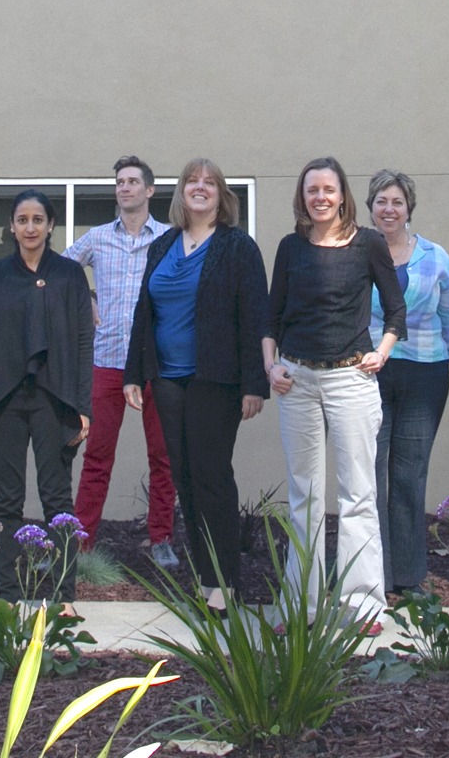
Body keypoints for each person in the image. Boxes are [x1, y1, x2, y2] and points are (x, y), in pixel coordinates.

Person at [263, 156, 405, 635]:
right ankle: (299, 607)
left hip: (351, 381)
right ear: (302, 197)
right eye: (311, 190)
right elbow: (272, 316)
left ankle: (362, 606)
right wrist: (271, 365)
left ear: (343, 194)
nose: (320, 197)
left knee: (358, 493)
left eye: (328, 189)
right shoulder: (290, 247)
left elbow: (396, 310)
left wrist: (380, 353)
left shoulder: (369, 244)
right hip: (297, 382)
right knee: (304, 495)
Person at [124, 158, 268, 615]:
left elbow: (255, 317)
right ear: (181, 192)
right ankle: (206, 579)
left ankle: (226, 583)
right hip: (167, 379)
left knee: (212, 476)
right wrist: (133, 373)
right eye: (192, 181)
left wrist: (254, 384)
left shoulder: (237, 247)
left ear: (221, 195)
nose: (200, 188)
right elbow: (143, 312)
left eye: (210, 182)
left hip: (216, 380)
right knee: (185, 479)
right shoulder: (163, 245)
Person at [0, 190, 92, 609]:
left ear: (51, 225)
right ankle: (5, 595)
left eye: (39, 219)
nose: (31, 227)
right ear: (12, 226)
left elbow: (81, 340)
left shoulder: (70, 274)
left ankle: (63, 594)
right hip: (3, 399)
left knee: (57, 499)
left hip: (55, 400)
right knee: (7, 501)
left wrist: (83, 405)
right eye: (23, 219)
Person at [365, 170, 449, 598]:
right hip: (369, 373)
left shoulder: (435, 257)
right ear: (370, 207)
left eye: (396, 202)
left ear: (409, 208)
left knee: (409, 477)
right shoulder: (357, 251)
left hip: (425, 375)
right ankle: (372, 575)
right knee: (369, 477)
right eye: (381, 201)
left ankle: (409, 577)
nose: (388, 209)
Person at [65, 155, 178, 567]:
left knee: (163, 455)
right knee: (96, 454)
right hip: (107, 361)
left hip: (157, 363)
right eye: (119, 182)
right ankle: (81, 540)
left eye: (133, 182)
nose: (124, 188)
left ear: (150, 190)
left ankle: (161, 537)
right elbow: (58, 270)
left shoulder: (169, 239)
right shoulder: (96, 238)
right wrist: (87, 296)